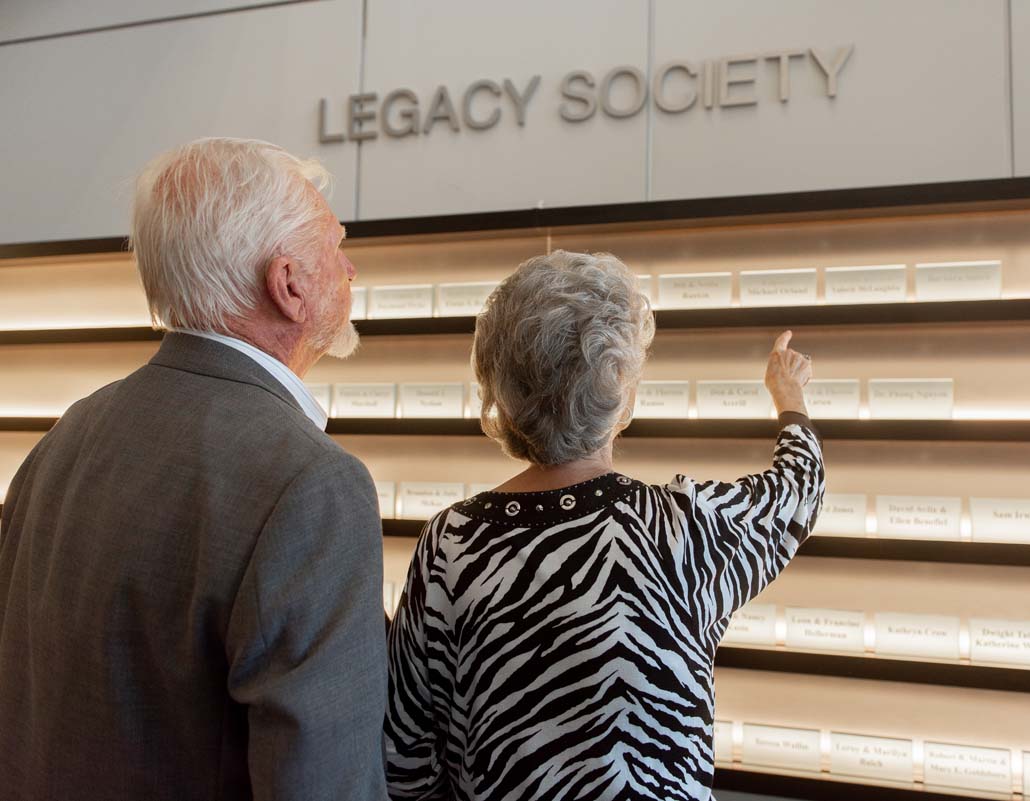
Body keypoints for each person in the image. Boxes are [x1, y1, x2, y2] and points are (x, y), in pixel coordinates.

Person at [0, 138, 387, 801]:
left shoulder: (65, 437)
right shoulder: (312, 484)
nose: (348, 266)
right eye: (334, 245)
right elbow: (324, 783)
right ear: (288, 283)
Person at [384, 250, 825, 801]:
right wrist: (790, 397)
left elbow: (407, 753)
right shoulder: (682, 528)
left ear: (501, 386)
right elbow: (798, 492)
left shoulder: (450, 543)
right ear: (620, 390)